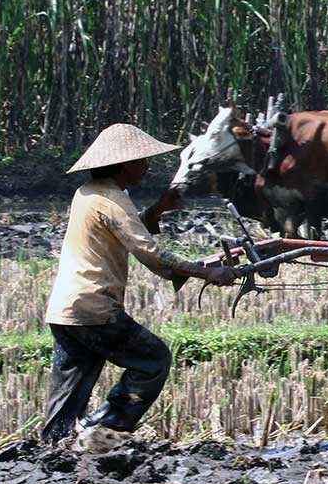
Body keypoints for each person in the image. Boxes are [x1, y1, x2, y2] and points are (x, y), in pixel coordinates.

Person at [41, 124, 237, 447]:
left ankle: (54, 448)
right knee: (153, 360)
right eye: (142, 160)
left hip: (65, 310)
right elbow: (151, 253)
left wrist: (158, 209)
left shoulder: (89, 193)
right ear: (123, 164)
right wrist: (207, 273)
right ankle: (102, 431)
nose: (147, 166)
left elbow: (126, 232)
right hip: (95, 308)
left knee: (70, 390)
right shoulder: (113, 200)